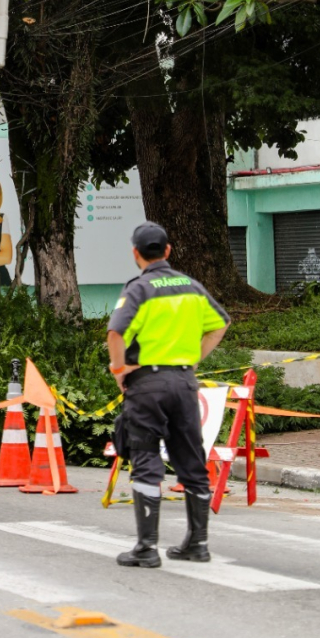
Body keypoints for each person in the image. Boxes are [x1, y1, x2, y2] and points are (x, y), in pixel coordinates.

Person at [107, 221, 229, 569]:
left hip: (147, 384)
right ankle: (198, 544)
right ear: (168, 250)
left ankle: (147, 548)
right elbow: (221, 323)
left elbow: (115, 333)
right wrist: (192, 360)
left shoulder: (139, 289)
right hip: (185, 383)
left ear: (135, 253)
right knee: (192, 460)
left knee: (146, 459)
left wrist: (119, 370)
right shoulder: (192, 287)